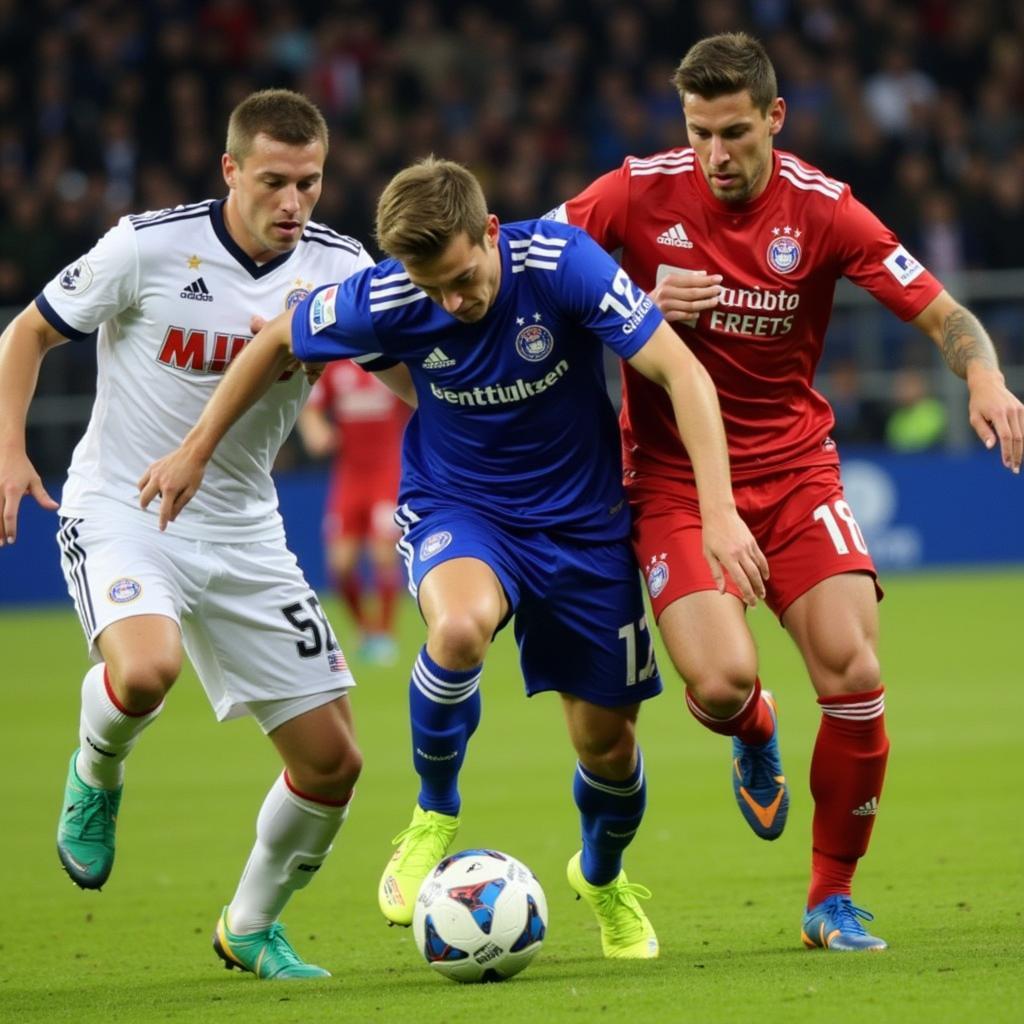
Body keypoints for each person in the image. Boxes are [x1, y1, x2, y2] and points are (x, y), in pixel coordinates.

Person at [137, 156, 769, 960]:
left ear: (491, 233)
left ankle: (603, 877)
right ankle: (434, 812)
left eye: (464, 279)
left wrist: (717, 511)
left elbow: (680, 371)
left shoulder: (562, 265)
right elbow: (271, 343)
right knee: (459, 628)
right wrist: (194, 451)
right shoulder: (393, 292)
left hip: (584, 528)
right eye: (432, 287)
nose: (452, 302)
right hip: (461, 509)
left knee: (606, 748)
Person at [549, 31, 1024, 951]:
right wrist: (634, 296)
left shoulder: (824, 210)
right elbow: (528, 269)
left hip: (793, 468)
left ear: (775, 118)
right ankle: (752, 727)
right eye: (699, 134)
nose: (716, 156)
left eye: (734, 133)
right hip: (675, 478)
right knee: (722, 682)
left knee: (854, 673)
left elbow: (941, 309)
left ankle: (829, 898)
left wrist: (985, 378)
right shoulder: (633, 191)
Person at [0, 89, 374, 979]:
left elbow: (403, 380)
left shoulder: (339, 268)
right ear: (231, 170)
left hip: (246, 527)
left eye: (311, 185)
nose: (294, 204)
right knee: (145, 668)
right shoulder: (149, 245)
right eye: (276, 182)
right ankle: (96, 774)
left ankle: (248, 924)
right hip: (124, 505)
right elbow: (27, 335)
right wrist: (10, 453)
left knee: (334, 766)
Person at [296, 360, 409, 665]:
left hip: (388, 472)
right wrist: (315, 430)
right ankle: (365, 630)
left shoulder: (389, 358)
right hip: (349, 475)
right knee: (341, 564)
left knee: (383, 555)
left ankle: (385, 635)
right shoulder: (336, 366)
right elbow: (311, 405)